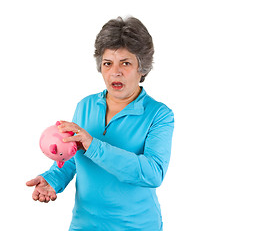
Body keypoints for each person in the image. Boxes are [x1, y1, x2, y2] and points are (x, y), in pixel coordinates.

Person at [26, 16, 174, 231]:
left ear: (142, 68)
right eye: (108, 63)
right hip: (85, 225)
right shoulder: (85, 106)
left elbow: (153, 173)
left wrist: (93, 145)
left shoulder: (159, 115)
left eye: (126, 63)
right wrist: (52, 179)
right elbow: (73, 157)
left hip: (136, 226)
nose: (115, 71)